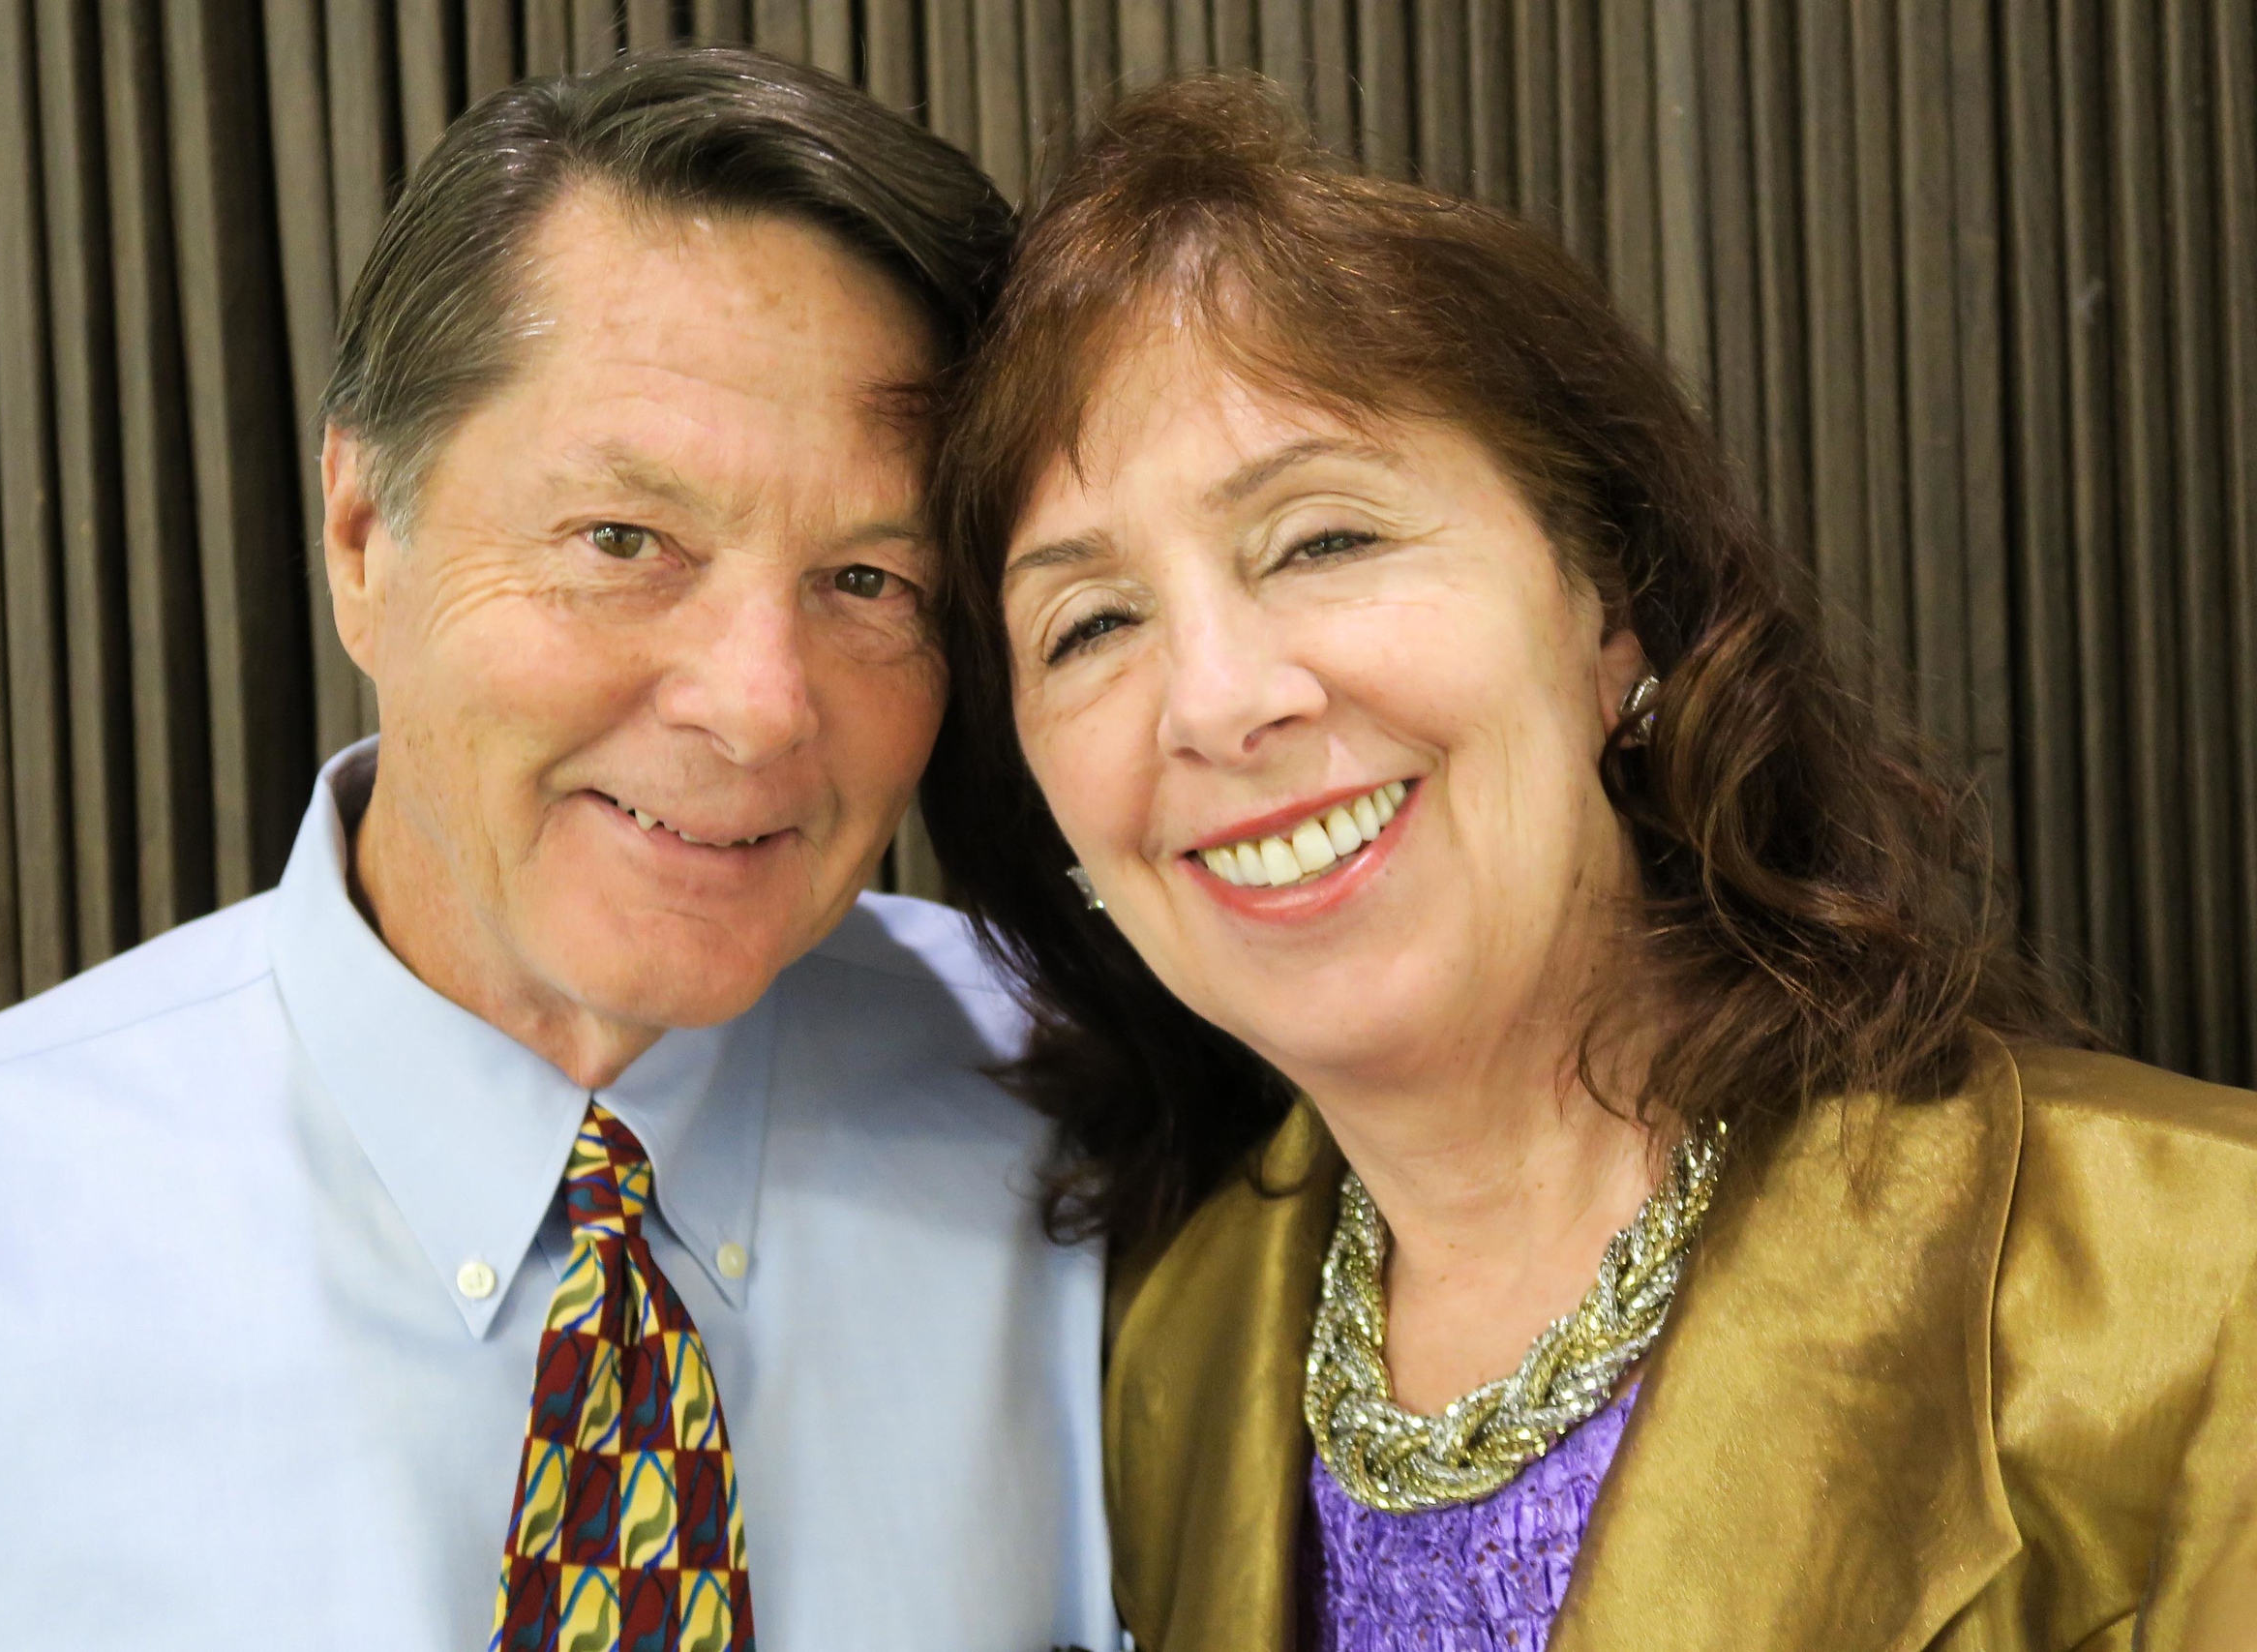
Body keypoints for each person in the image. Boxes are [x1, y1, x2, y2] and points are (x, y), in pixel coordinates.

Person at [0, 49, 1117, 1652]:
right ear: (363, 540)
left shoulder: (1105, 1128)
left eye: (868, 584)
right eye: (623, 541)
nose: (761, 706)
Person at [918, 75, 2257, 1652]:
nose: (1215, 703)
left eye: (1325, 538)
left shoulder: (2203, 1286)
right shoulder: (1168, 1358)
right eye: (1090, 625)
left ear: (1608, 609)